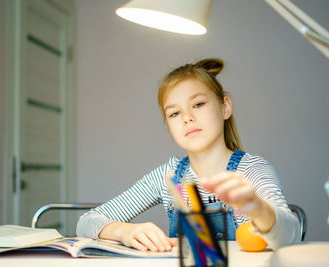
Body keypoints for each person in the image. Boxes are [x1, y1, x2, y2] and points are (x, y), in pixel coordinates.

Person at [76, 58, 301, 252]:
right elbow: (86, 222)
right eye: (174, 113)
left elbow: (290, 235)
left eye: (198, 104)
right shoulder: (168, 176)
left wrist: (259, 209)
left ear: (225, 107)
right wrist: (125, 231)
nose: (187, 118)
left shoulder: (252, 170)